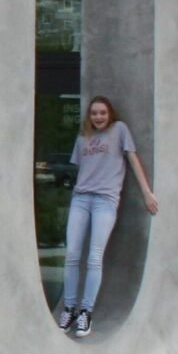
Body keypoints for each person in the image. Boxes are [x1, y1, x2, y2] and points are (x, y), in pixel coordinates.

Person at [56, 95, 159, 339]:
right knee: (72, 254)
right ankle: (69, 309)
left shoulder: (119, 130)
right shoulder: (83, 138)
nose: (98, 117)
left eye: (102, 112)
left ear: (109, 113)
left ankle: (85, 313)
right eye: (94, 113)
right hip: (81, 199)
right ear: (89, 116)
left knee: (94, 257)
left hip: (105, 201)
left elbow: (133, 160)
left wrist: (147, 193)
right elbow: (84, 170)